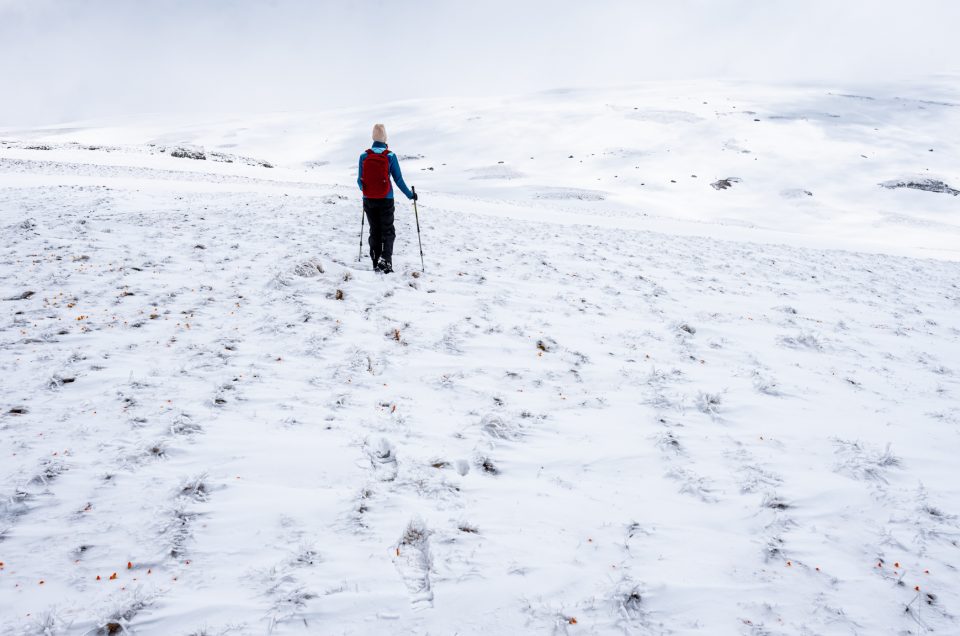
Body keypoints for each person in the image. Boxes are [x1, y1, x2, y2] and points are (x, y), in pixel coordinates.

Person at [357, 123, 416, 273]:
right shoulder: (390, 156)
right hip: (386, 199)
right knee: (388, 231)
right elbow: (398, 180)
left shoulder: (364, 156)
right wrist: (410, 195)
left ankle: (375, 260)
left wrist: (367, 191)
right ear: (385, 138)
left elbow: (359, 181)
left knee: (374, 230)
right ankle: (386, 261)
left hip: (369, 199)